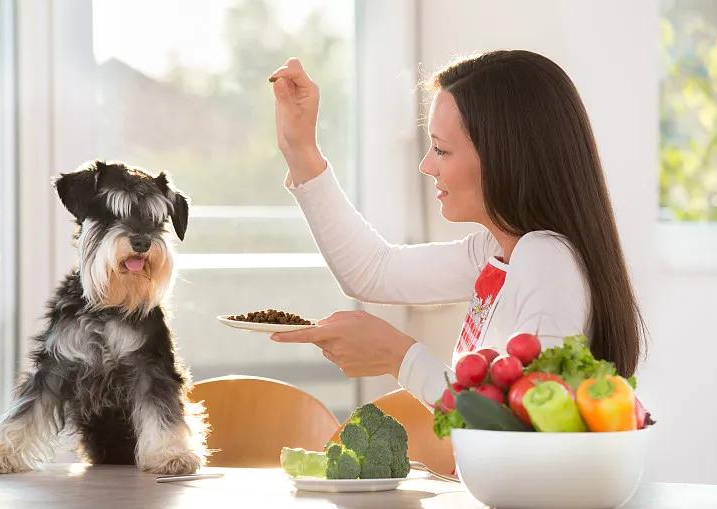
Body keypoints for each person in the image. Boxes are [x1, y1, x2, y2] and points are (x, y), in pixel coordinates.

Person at [267, 50, 644, 407]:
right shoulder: (497, 252)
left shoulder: (546, 260)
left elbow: (526, 426)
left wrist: (398, 356)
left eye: (441, 150)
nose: (426, 166)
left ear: (503, 158)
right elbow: (373, 271)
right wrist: (301, 151)